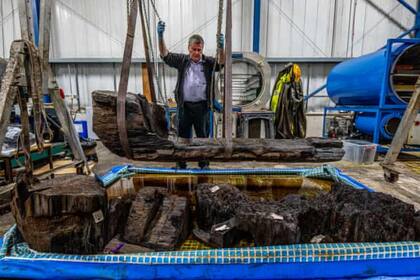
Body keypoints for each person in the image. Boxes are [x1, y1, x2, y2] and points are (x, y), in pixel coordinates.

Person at [157, 20, 225, 169]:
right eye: (193, 49)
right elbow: (165, 54)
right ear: (189, 48)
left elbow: (221, 62)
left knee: (203, 139)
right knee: (182, 139)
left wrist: (221, 47)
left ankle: (204, 165)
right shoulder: (182, 61)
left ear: (202, 49)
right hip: (185, 107)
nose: (196, 53)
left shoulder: (208, 63)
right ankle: (181, 164)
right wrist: (160, 36)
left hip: (202, 108)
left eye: (199, 50)